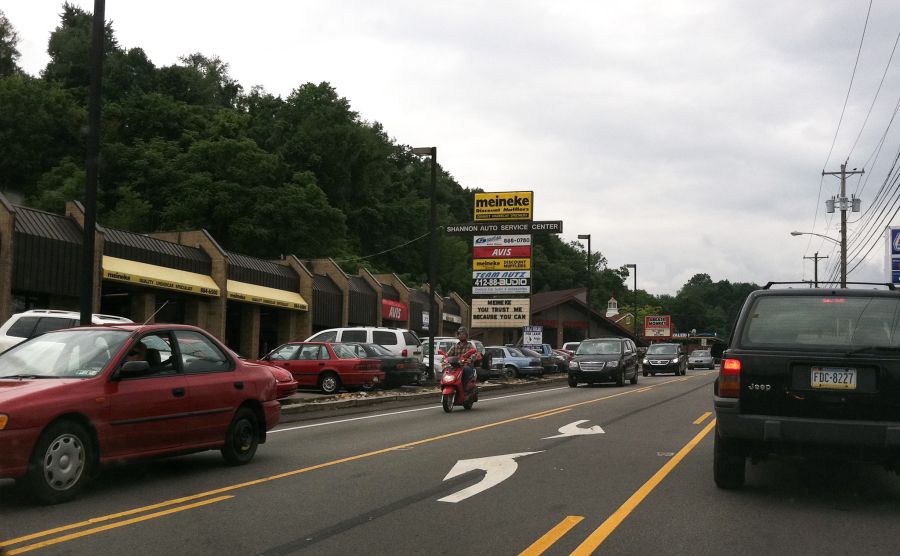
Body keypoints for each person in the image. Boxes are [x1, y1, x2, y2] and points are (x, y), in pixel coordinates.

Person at [445, 326, 480, 392]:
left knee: (465, 371)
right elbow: (448, 355)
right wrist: (445, 359)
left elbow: (474, 353)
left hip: (466, 365)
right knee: (447, 371)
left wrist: (470, 359)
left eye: (463, 334)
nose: (461, 336)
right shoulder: (455, 346)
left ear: (466, 335)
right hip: (456, 366)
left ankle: (465, 387)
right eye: (459, 334)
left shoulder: (469, 345)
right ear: (458, 335)